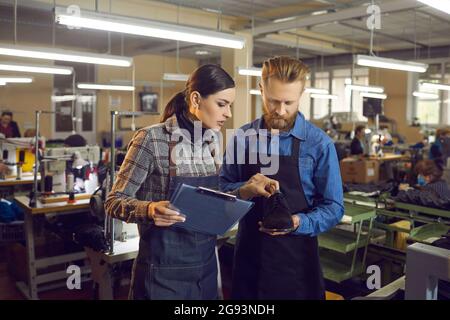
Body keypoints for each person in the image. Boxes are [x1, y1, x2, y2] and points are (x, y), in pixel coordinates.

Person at [104, 64, 277, 300]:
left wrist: (245, 191)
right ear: (196, 99)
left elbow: (211, 205)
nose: (228, 113)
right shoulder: (151, 139)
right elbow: (113, 201)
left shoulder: (211, 140)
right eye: (221, 104)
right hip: (162, 276)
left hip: (205, 269)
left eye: (230, 106)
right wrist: (150, 209)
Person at [220, 56, 344, 300]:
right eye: (273, 100)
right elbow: (222, 189)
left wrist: (297, 221)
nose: (280, 110)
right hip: (249, 260)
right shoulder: (242, 138)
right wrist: (245, 189)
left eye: (289, 102)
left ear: (302, 94)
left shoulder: (319, 144)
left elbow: (334, 207)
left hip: (297, 266)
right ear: (261, 90)